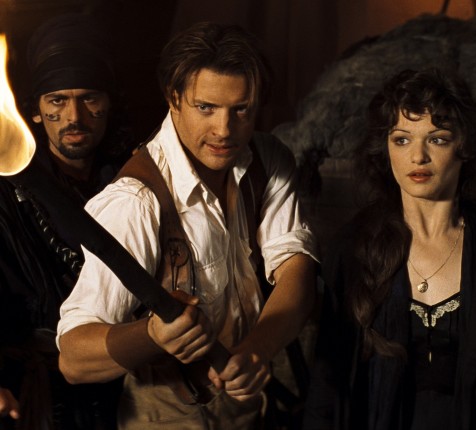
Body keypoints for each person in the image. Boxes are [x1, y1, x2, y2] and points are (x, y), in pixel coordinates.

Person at [56, 22, 318, 429]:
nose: (224, 131)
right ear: (174, 98)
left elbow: (296, 270)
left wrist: (256, 350)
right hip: (165, 416)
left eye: (241, 109)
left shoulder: (267, 161)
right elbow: (73, 359)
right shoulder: (135, 201)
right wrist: (151, 336)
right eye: (206, 108)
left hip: (247, 408)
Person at [302, 68, 476, 429]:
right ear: (385, 148)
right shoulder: (352, 251)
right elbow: (325, 393)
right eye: (402, 140)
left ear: (464, 147)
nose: (417, 156)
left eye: (437, 139)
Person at [0, 13, 131, 430]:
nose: (74, 115)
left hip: (125, 377)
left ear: (109, 104)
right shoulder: (8, 191)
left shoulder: (133, 183)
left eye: (89, 98)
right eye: (57, 100)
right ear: (36, 111)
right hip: (34, 388)